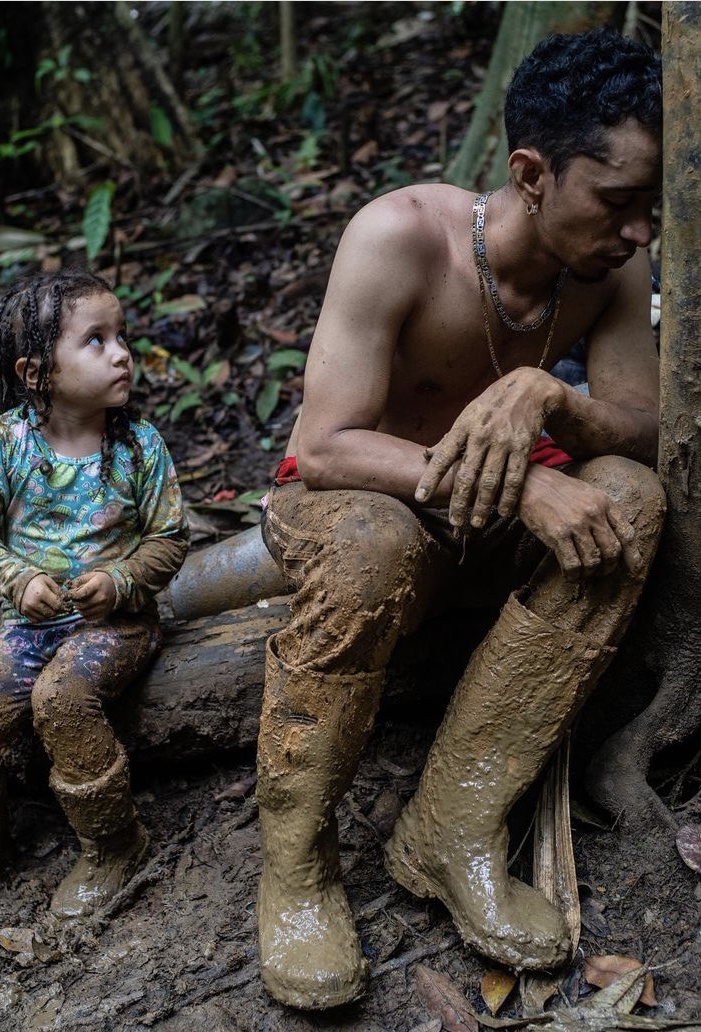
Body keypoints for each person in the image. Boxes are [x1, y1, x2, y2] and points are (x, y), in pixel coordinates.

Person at [256, 28, 666, 1010]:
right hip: (358, 510)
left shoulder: (604, 276)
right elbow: (324, 447)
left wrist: (548, 398)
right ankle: (295, 869)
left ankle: (449, 827)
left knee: (629, 501)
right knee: (370, 543)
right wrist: (522, 483)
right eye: (616, 202)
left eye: (651, 208)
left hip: (478, 535)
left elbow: (643, 431)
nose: (637, 231)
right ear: (531, 172)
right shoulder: (398, 235)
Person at [0, 269, 188, 926]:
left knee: (62, 698)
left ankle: (113, 844)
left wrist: (120, 581)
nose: (122, 352)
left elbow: (170, 538)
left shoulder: (138, 447)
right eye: (95, 341)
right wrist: (19, 578)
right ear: (36, 372)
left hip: (117, 626)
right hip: (28, 628)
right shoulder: (6, 443)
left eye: (120, 335)